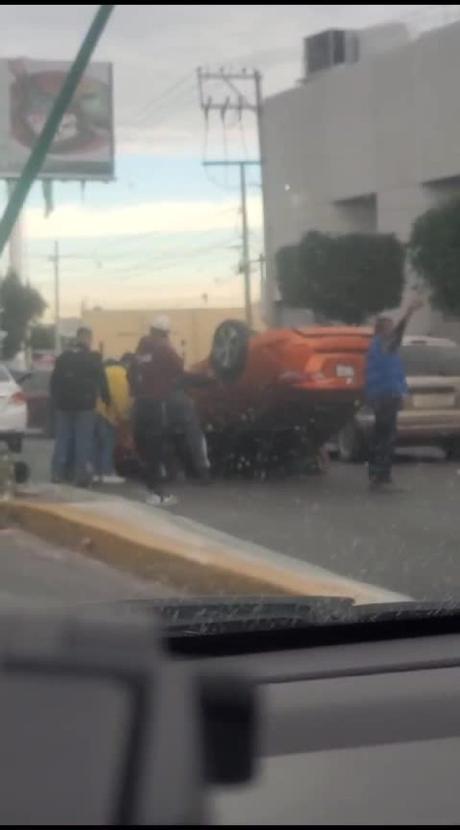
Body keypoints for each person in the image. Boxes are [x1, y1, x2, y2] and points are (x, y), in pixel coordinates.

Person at [128, 315, 210, 506]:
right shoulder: (163, 349)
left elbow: (130, 375)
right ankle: (158, 492)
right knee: (157, 446)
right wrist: (206, 379)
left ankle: (151, 488)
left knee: (146, 448)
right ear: (165, 333)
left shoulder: (139, 351)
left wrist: (139, 390)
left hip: (139, 404)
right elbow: (179, 370)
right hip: (157, 403)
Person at [365, 297, 423, 488]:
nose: (392, 329)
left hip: (385, 395)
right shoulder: (382, 345)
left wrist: (401, 393)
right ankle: (380, 475)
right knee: (385, 436)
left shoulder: (382, 346)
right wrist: (409, 312)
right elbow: (398, 333)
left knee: (382, 435)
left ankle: (378, 473)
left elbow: (394, 371)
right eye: (388, 326)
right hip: (384, 396)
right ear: (382, 330)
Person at [50, 327, 110, 487]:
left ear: (77, 338)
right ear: (88, 339)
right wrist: (107, 399)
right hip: (85, 405)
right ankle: (80, 476)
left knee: (62, 439)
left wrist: (56, 400)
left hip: (64, 405)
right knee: (83, 441)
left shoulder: (63, 358)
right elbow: (102, 381)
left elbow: (54, 381)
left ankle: (58, 473)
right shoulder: (93, 358)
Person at [94, 358, 132, 484]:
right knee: (108, 444)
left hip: (94, 410)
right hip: (108, 413)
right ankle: (107, 472)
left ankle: (96, 472)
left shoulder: (103, 371)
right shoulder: (121, 374)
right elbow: (120, 397)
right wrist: (123, 415)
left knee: (97, 444)